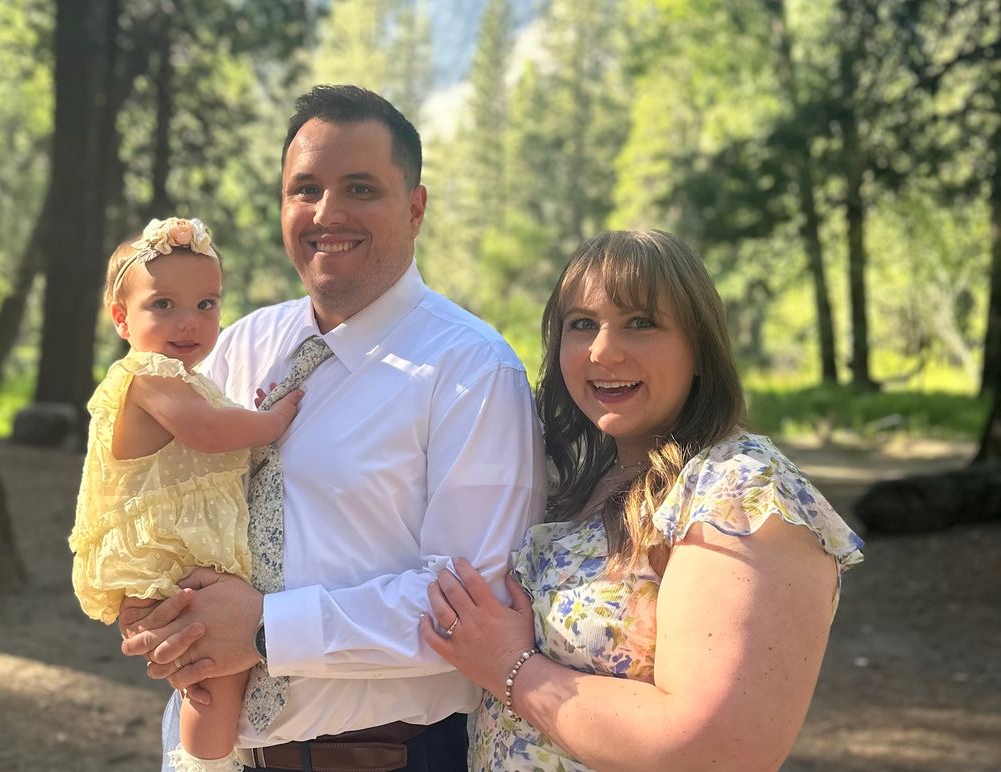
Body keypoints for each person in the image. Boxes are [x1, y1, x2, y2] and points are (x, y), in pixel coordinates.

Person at [119, 85, 546, 771]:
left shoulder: (471, 369)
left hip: (383, 758)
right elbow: (176, 497)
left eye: (360, 189)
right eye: (305, 189)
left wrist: (263, 629)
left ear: (415, 207)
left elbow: (472, 606)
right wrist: (153, 603)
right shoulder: (245, 343)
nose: (327, 214)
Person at [421, 230, 864, 771]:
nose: (603, 350)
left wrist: (510, 667)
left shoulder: (741, 490)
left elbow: (719, 752)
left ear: (700, 349)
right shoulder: (580, 485)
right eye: (582, 324)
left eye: (641, 323)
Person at [69, 216, 303, 771]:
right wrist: (270, 422)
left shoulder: (189, 376)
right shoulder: (147, 376)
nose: (189, 322)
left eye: (206, 305)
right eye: (164, 305)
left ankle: (211, 755)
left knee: (215, 675)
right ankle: (205, 763)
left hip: (186, 553)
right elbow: (205, 432)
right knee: (210, 677)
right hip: (168, 557)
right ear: (122, 318)